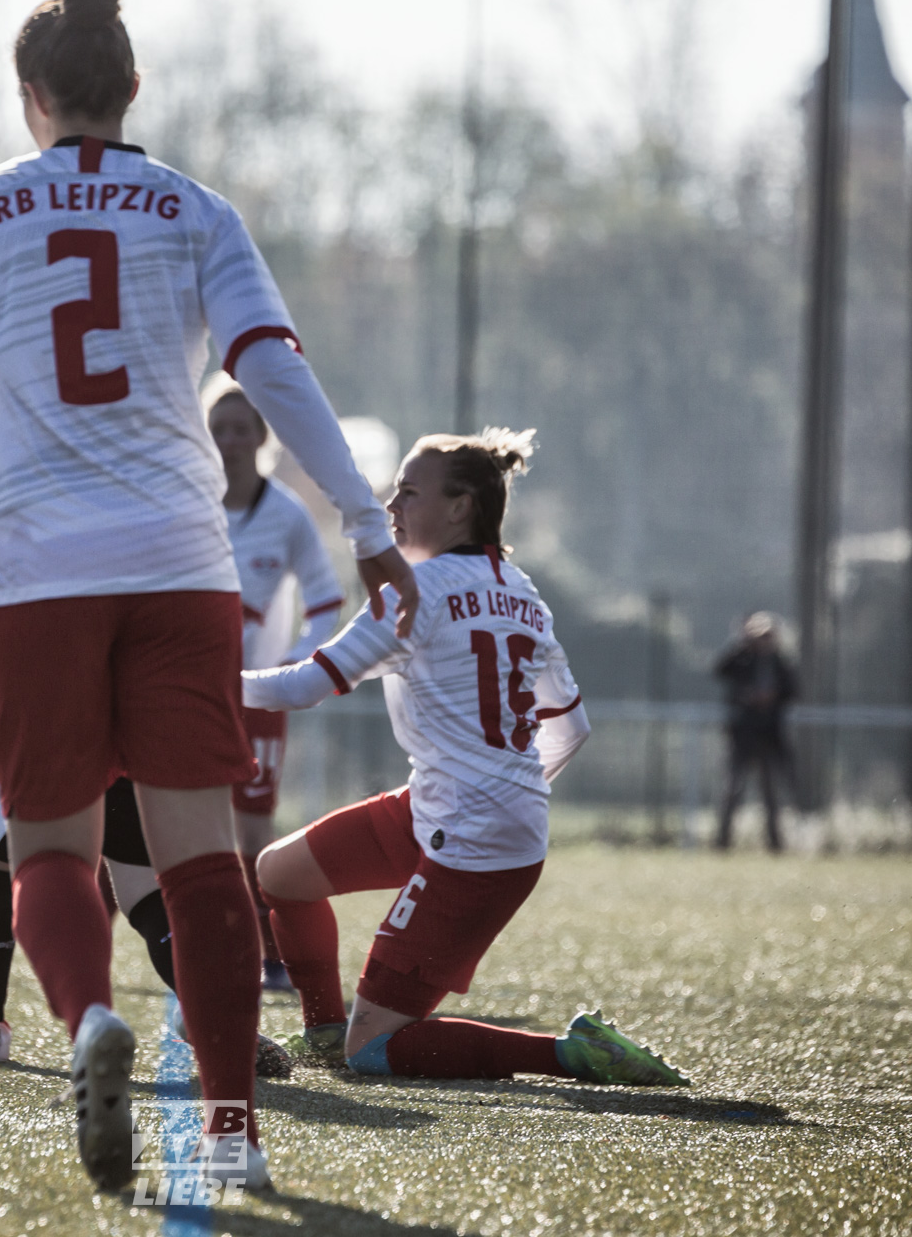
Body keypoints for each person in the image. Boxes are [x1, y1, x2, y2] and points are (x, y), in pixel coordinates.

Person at [0, 0, 415, 1192]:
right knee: (201, 859)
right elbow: (273, 369)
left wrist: (11, 437)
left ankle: (90, 1020)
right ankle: (232, 1125)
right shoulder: (196, 210)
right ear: (132, 86)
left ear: (29, 93)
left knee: (48, 852)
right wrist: (365, 519)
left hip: (36, 567)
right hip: (179, 561)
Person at [248, 430, 688, 1088]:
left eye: (409, 491)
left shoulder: (416, 589)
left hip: (471, 842)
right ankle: (324, 1032)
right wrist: (504, 786)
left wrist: (198, 682)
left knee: (376, 1053)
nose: (391, 503)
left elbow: (305, 686)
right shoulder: (523, 592)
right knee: (280, 873)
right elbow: (571, 727)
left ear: (460, 508)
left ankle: (571, 1053)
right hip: (460, 812)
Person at [0, 531, 293, 1081]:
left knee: (4, 859)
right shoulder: (168, 508)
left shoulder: (55, 497)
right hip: (137, 696)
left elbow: (31, 554)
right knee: (145, 885)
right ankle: (209, 1011)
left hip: (38, 692)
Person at [205, 382, 344, 996]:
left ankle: (271, 957)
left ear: (262, 437)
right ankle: (180, 945)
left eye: (241, 429)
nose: (229, 441)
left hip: (256, 699)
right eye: (218, 428)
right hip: (184, 694)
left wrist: (293, 662)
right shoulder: (189, 502)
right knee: (166, 823)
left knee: (253, 832)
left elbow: (327, 600)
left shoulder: (286, 514)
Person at [713, 612, 797, 852]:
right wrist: (743, 643)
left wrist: (771, 696)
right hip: (742, 737)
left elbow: (792, 689)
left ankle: (775, 844)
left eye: (767, 635)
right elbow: (720, 670)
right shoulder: (743, 660)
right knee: (733, 790)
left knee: (770, 794)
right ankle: (722, 842)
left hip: (769, 737)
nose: (763, 640)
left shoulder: (778, 662)